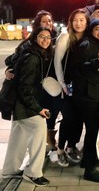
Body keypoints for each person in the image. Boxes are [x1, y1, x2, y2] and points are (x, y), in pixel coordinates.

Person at [2, 27, 53, 186]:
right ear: (35, 38)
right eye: (41, 37)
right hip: (21, 103)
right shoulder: (32, 58)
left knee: (19, 134)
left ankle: (9, 170)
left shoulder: (33, 51)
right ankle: (33, 173)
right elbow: (25, 89)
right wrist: (38, 109)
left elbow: (10, 61)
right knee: (39, 127)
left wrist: (10, 70)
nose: (45, 40)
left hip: (16, 101)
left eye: (48, 38)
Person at [5, 10, 60, 152]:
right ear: (37, 26)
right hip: (31, 92)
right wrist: (9, 71)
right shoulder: (29, 44)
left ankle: (46, 146)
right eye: (44, 21)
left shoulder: (54, 40)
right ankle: (37, 155)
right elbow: (12, 60)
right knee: (32, 126)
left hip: (47, 88)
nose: (48, 23)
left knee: (46, 119)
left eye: (50, 21)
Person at [72, 18, 99, 182]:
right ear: (91, 30)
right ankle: (90, 169)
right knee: (93, 132)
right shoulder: (86, 45)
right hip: (89, 97)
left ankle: (87, 161)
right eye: (97, 29)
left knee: (94, 130)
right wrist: (92, 64)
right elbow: (75, 69)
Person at [54, 8, 89, 167]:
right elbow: (57, 62)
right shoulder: (65, 37)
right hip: (67, 87)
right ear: (70, 22)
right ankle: (60, 149)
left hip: (82, 88)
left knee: (79, 119)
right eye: (75, 20)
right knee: (68, 119)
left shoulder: (88, 39)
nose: (79, 23)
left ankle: (71, 147)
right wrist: (62, 84)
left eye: (82, 20)